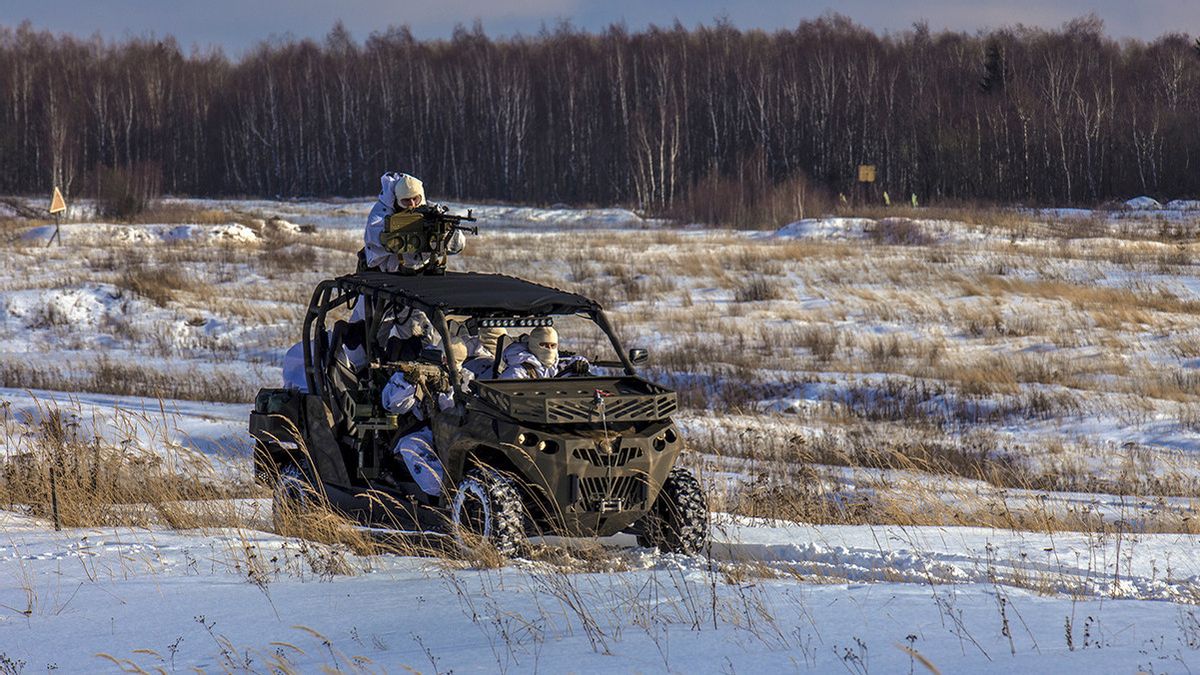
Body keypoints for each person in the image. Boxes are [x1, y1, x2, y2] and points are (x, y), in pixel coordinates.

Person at [379, 339, 471, 496]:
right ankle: (444, 493)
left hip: (457, 431)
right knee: (410, 446)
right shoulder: (417, 370)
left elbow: (459, 410)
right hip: (424, 429)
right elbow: (391, 404)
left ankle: (460, 492)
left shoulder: (466, 377)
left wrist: (447, 390)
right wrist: (409, 383)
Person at [363, 172, 465, 273]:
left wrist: (445, 230)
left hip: (421, 270)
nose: (412, 204)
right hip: (386, 271)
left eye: (415, 199)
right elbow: (376, 237)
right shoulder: (383, 212)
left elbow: (458, 245)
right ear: (398, 200)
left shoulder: (431, 209)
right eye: (406, 201)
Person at [499, 326, 589, 379]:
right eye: (544, 345)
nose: (549, 350)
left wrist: (582, 364)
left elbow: (574, 361)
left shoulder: (558, 366)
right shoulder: (518, 372)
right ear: (534, 345)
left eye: (552, 346)